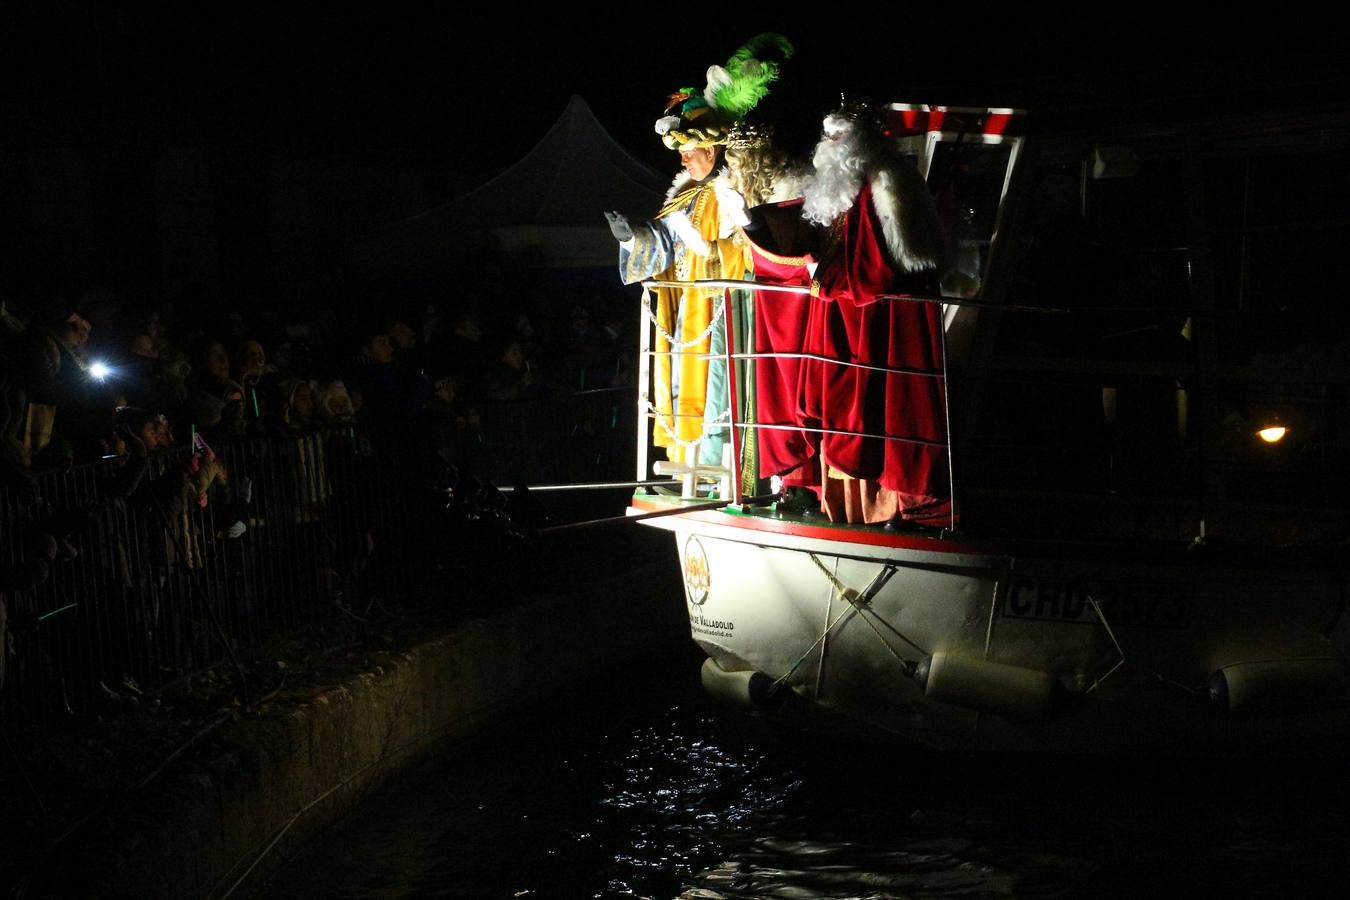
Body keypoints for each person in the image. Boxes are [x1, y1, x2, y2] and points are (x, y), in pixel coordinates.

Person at [606, 34, 793, 472]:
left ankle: (723, 464)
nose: (684, 162)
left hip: (721, 309)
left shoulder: (733, 189)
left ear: (711, 151)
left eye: (690, 154)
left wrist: (707, 247)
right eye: (683, 155)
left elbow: (752, 252)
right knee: (686, 383)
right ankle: (689, 459)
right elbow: (664, 243)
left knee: (718, 386)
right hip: (688, 311)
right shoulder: (685, 193)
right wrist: (631, 238)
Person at [794, 99, 954, 527]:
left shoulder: (888, 182)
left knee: (878, 409)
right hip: (838, 317)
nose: (831, 144)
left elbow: (902, 263)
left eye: (839, 136)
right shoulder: (833, 192)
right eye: (829, 136)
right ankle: (846, 506)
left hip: (877, 320)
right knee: (841, 407)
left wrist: (831, 279)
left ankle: (896, 505)